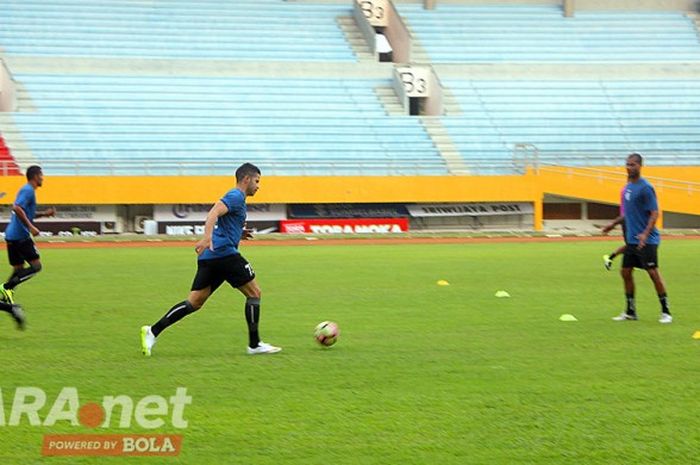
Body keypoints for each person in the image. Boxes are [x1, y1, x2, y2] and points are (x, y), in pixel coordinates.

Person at [140, 163, 281, 355]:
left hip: (210, 257)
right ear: (246, 179)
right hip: (224, 254)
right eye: (257, 181)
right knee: (254, 293)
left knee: (194, 303)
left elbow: (224, 224)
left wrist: (239, 233)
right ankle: (254, 345)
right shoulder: (236, 195)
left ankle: (152, 331)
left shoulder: (237, 199)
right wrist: (207, 238)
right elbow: (214, 212)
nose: (258, 186)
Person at [603, 153, 671, 324]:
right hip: (633, 240)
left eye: (633, 165)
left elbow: (654, 213)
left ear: (640, 166)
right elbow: (627, 214)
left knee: (653, 273)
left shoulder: (646, 188)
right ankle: (630, 311)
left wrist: (645, 234)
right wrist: (612, 224)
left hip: (647, 240)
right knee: (625, 272)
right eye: (627, 164)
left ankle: (666, 311)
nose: (629, 167)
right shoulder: (628, 188)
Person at [1, 165, 55, 329]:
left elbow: (25, 212)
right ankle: (7, 288)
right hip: (20, 236)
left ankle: (8, 300)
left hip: (11, 236)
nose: (43, 178)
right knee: (36, 266)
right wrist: (30, 227)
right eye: (41, 175)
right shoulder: (28, 190)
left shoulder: (28, 191)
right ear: (35, 176)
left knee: (18, 270)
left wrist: (44, 214)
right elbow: (17, 208)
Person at [602, 180, 630, 270]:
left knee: (633, 244)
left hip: (629, 219)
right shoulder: (628, 191)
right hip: (627, 219)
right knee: (631, 244)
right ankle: (610, 258)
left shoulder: (629, 190)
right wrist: (613, 224)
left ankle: (633, 262)